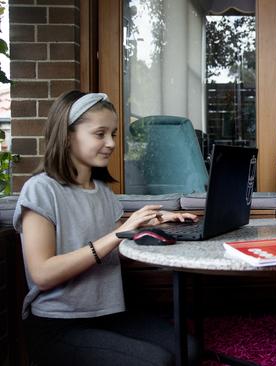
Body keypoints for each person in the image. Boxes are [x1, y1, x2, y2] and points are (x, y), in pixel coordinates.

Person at [13, 90, 200, 366]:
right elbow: (42, 274)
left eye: (113, 133)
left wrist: (154, 223)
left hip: (108, 314)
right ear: (67, 136)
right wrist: (118, 233)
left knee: (190, 349)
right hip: (58, 324)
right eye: (100, 134)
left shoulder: (102, 191)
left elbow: (118, 246)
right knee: (156, 361)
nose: (111, 143)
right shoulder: (41, 190)